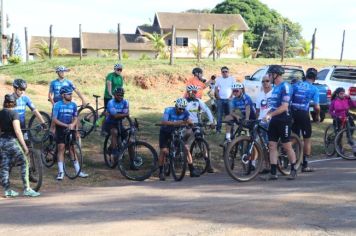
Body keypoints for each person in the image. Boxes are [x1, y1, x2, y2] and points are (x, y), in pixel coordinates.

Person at [0, 94, 40, 197]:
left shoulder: (1, 113)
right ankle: (27, 189)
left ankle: (7, 190)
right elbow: (18, 131)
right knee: (25, 162)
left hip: (2, 141)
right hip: (11, 141)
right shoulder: (14, 113)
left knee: (5, 166)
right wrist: (25, 146)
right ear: (14, 103)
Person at [264, 65, 297, 180]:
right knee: (272, 145)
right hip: (274, 119)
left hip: (284, 119)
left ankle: (293, 169)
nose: (268, 77)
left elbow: (284, 106)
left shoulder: (286, 87)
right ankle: (273, 172)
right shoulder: (275, 88)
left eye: (269, 74)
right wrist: (266, 115)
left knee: (286, 145)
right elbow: (273, 106)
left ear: (275, 75)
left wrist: (270, 115)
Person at [158, 98, 200, 181]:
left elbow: (188, 120)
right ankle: (161, 172)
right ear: (176, 106)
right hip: (165, 132)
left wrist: (191, 124)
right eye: (180, 108)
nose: (181, 110)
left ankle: (192, 170)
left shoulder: (185, 112)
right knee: (163, 151)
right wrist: (175, 123)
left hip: (176, 132)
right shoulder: (168, 110)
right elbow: (164, 122)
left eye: (183, 109)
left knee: (186, 149)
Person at [52, 86, 88, 180]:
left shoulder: (73, 105)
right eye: (69, 94)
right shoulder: (57, 105)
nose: (71, 95)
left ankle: (78, 171)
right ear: (63, 95)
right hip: (60, 128)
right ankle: (60, 172)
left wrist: (74, 127)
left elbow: (75, 118)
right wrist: (65, 125)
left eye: (71, 93)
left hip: (70, 128)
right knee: (61, 148)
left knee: (72, 149)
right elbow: (54, 119)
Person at [291, 68, 320, 172]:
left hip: (292, 112)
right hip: (303, 114)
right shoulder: (314, 89)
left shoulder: (296, 85)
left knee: (294, 136)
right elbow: (317, 107)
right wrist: (317, 116)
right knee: (307, 138)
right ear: (315, 78)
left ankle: (285, 151)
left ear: (306, 76)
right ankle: (305, 165)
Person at [185, 85, 215, 173]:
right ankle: (179, 152)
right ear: (189, 92)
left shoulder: (198, 101)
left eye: (195, 92)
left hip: (196, 124)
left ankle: (208, 164)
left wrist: (211, 121)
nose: (195, 93)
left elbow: (207, 110)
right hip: (186, 124)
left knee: (201, 142)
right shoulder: (184, 102)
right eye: (193, 92)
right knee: (185, 138)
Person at [103, 87, 130, 159]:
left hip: (119, 123)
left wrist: (121, 115)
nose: (120, 97)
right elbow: (115, 115)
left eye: (122, 95)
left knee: (127, 137)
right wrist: (124, 114)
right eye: (118, 95)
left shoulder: (125, 102)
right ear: (114, 95)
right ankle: (114, 151)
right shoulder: (110, 102)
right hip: (109, 123)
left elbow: (124, 114)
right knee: (114, 132)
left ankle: (110, 148)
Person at [214, 66, 236, 133]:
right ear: (221, 72)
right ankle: (218, 130)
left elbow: (234, 88)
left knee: (230, 115)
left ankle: (231, 130)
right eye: (223, 72)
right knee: (219, 115)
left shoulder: (232, 79)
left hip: (229, 100)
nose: (224, 73)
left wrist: (230, 97)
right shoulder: (218, 79)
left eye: (226, 71)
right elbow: (216, 89)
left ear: (228, 72)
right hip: (220, 100)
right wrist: (218, 97)